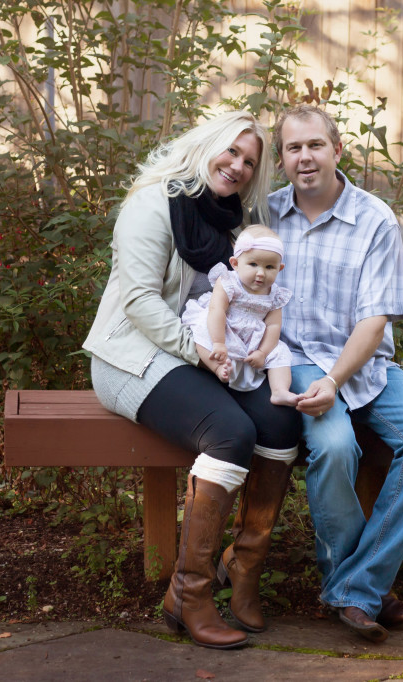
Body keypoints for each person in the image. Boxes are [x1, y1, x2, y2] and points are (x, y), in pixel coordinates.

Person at [82, 111, 301, 650]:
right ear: (206, 146)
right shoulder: (152, 203)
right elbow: (138, 302)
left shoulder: (232, 222)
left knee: (278, 423)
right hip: (132, 356)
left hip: (206, 356)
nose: (238, 166)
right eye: (231, 152)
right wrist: (202, 352)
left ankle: (243, 571)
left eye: (249, 162)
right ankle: (189, 593)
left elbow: (243, 301)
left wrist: (242, 350)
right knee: (230, 433)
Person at [269, 105, 403, 643]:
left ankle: (355, 587)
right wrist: (313, 380)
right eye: (293, 148)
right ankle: (360, 591)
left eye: (315, 146)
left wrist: (335, 381)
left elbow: (374, 322)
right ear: (282, 159)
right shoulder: (267, 217)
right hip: (297, 362)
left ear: (338, 150)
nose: (305, 157)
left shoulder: (373, 219)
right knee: (335, 449)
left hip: (364, 363)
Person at [181, 223, 300, 406]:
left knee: (280, 352)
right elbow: (217, 311)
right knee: (202, 328)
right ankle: (218, 367)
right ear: (235, 264)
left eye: (269, 267)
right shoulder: (228, 282)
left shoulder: (275, 294)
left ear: (279, 269)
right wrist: (219, 342)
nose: (261, 273)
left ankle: (280, 390)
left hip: (254, 337)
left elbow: (273, 326)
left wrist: (262, 352)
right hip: (224, 327)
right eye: (253, 264)